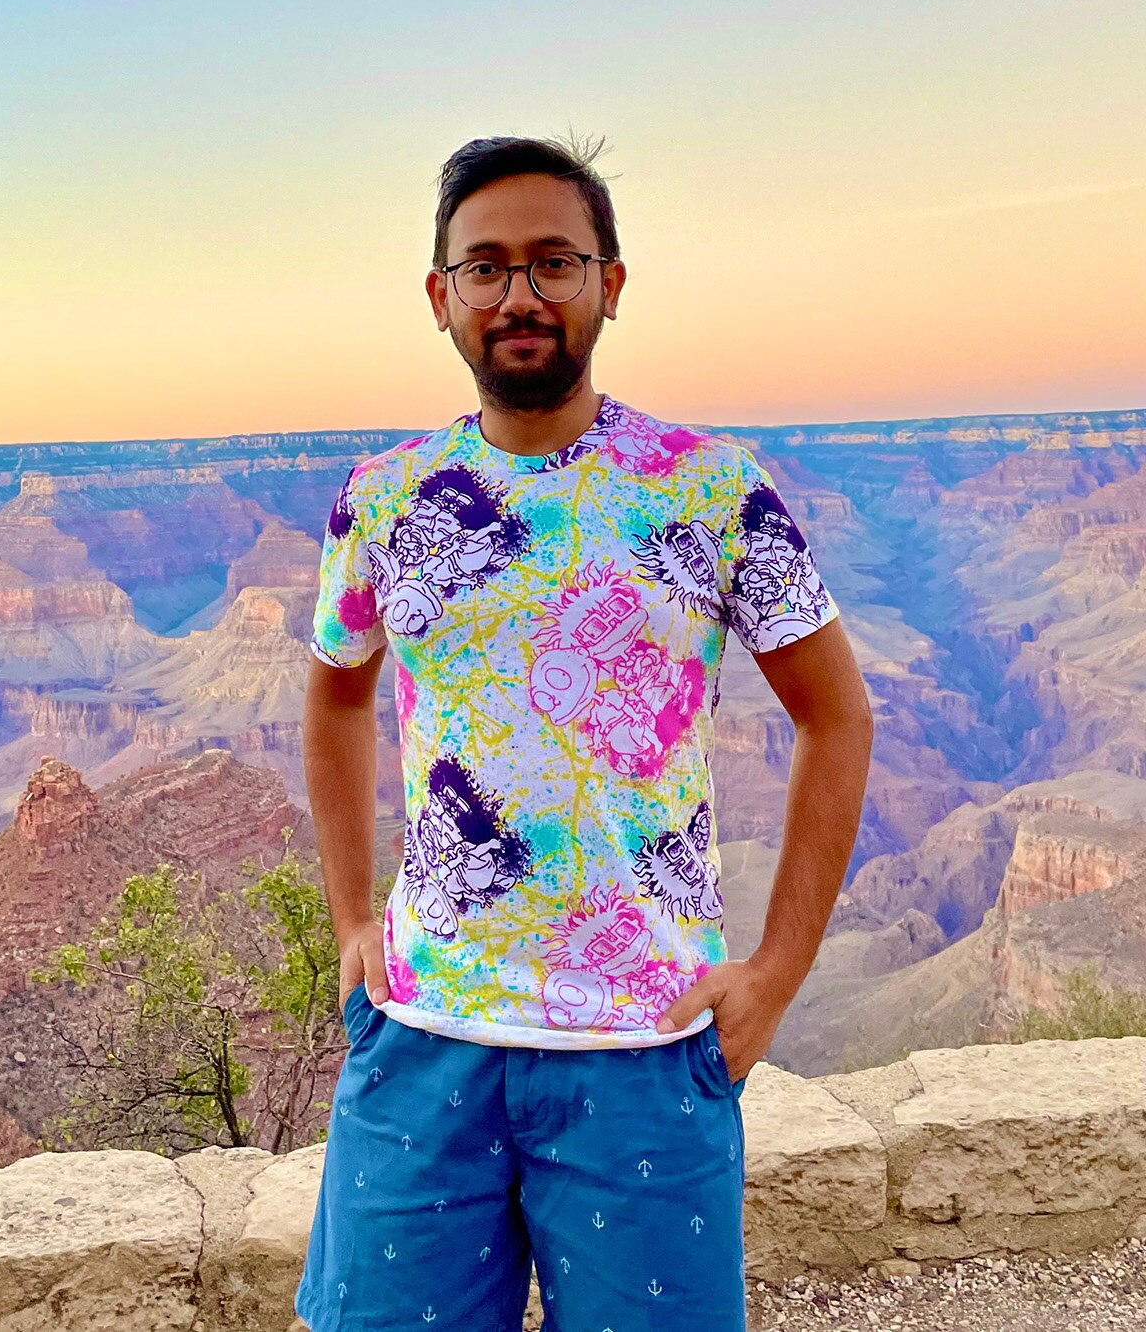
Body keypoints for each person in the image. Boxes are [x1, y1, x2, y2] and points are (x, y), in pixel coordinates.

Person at [294, 134, 874, 1332]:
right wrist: (353, 914)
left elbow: (838, 714)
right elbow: (337, 690)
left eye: (554, 261)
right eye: (486, 266)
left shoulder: (711, 490)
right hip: (421, 1037)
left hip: (643, 1050)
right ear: (439, 296)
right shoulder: (385, 497)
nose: (520, 294)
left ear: (610, 282)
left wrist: (778, 971)